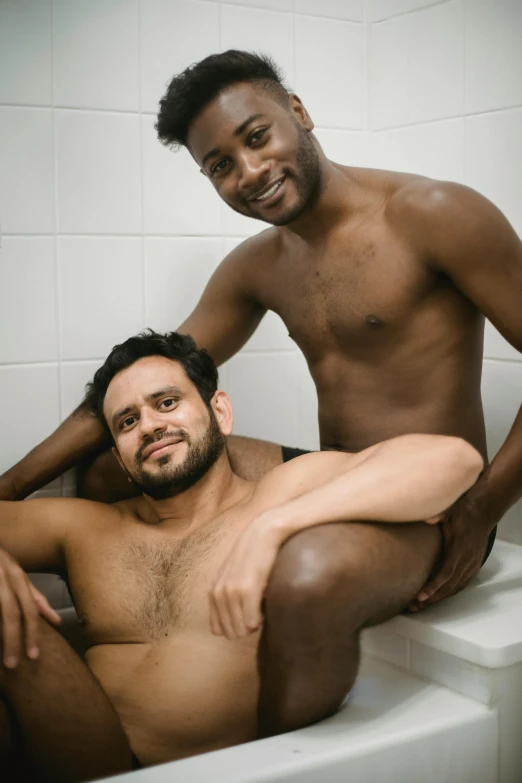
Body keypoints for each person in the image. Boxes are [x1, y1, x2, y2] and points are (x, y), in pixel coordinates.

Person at [1, 51, 521, 615]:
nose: (249, 172)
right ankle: (149, 634)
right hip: (333, 476)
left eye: (256, 137)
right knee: (109, 470)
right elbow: (136, 383)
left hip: (437, 501)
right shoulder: (257, 266)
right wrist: (10, 488)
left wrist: (483, 509)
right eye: (221, 165)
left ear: (298, 112)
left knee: (304, 573)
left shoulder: (434, 213)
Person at [0, 331, 483, 781]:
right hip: (79, 755)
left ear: (220, 413)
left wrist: (273, 528)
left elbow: (453, 461)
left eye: (166, 402)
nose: (149, 426)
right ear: (122, 460)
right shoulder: (82, 527)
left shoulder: (277, 496)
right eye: (127, 422)